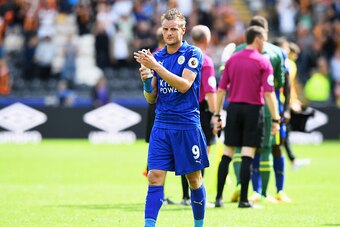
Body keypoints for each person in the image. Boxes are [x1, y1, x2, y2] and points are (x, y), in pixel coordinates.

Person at [134, 8, 209, 227]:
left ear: (183, 30)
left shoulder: (193, 54)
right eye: (165, 29)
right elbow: (151, 98)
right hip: (162, 125)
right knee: (154, 176)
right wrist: (147, 80)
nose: (169, 33)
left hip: (186, 124)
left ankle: (198, 224)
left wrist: (155, 67)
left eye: (173, 29)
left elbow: (185, 85)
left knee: (194, 179)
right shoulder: (157, 57)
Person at [214, 25, 280, 209]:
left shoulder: (232, 60)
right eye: (264, 39)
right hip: (253, 110)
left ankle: (219, 198)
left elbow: (221, 89)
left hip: (234, 109)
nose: (265, 43)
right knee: (247, 153)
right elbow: (269, 94)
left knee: (227, 152)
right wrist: (276, 119)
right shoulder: (263, 61)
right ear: (258, 39)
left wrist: (217, 114)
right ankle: (243, 200)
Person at [179, 25, 217, 207]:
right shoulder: (206, 60)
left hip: (184, 109)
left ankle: (185, 197)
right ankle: (198, 197)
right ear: (207, 40)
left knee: (185, 153)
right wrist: (216, 114)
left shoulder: (182, 57)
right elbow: (209, 91)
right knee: (202, 154)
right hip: (201, 111)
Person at [143, 27, 175, 205]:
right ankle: (161, 192)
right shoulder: (156, 58)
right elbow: (150, 92)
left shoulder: (156, 58)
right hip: (161, 111)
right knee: (161, 157)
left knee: (157, 157)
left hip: (155, 110)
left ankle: (159, 192)